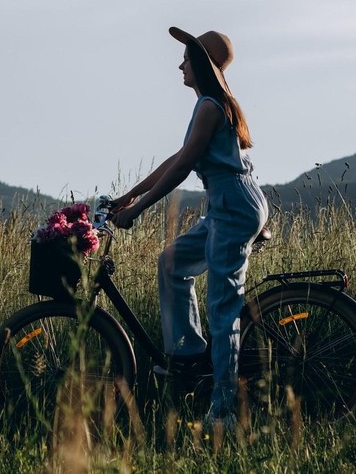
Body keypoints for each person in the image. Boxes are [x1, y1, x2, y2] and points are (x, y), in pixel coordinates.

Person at [109, 26, 269, 427]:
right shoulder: (209, 105)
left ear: (202, 63)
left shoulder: (211, 107)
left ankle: (225, 411)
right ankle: (188, 355)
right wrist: (128, 196)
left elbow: (181, 168)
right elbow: (176, 159)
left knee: (222, 309)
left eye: (186, 57)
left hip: (233, 205)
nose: (180, 63)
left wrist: (139, 210)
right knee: (171, 263)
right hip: (226, 202)